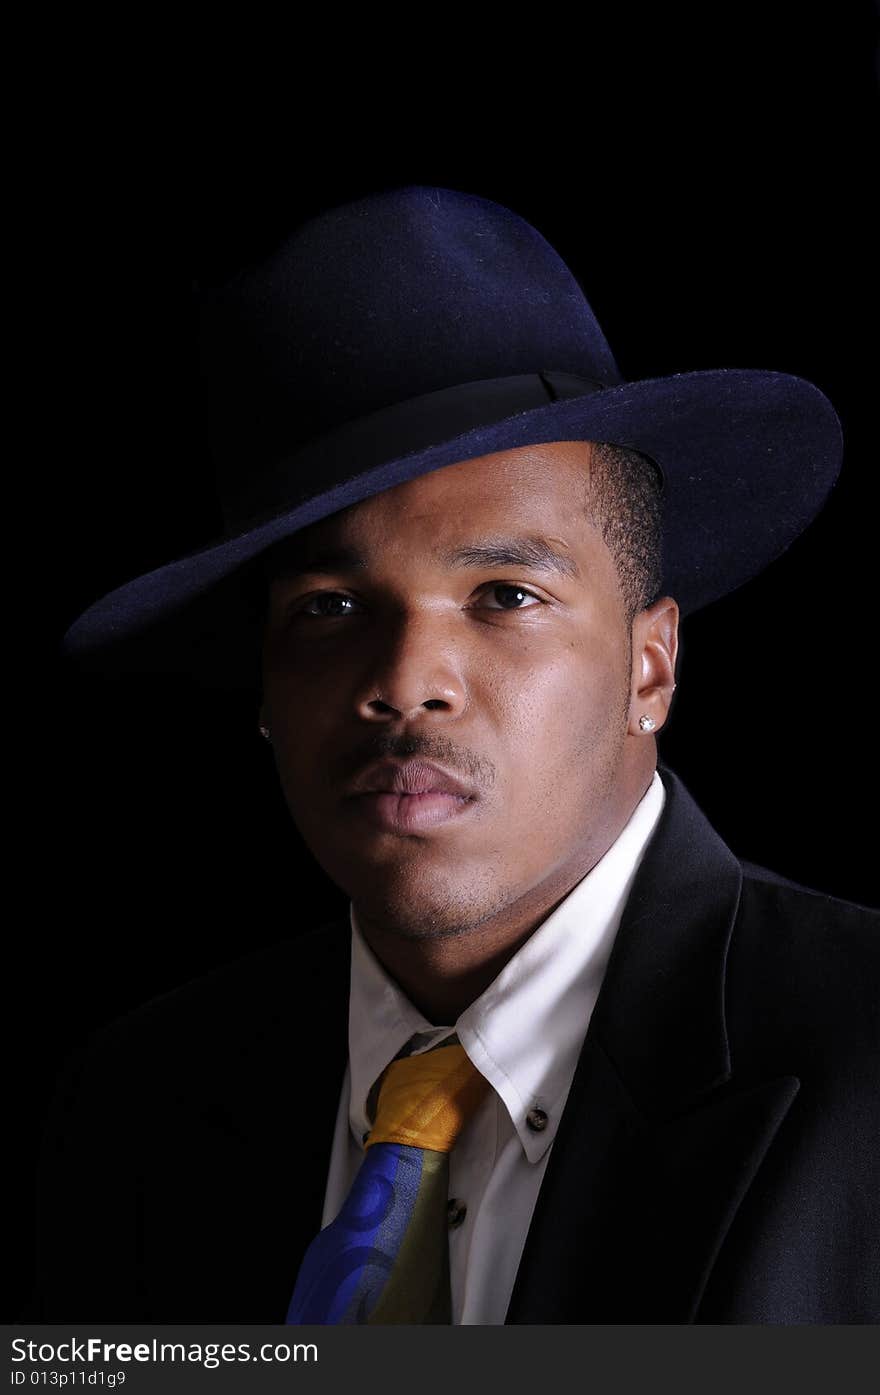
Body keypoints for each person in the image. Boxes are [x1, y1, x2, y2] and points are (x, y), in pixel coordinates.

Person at [32, 185, 877, 1324]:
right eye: (331, 609)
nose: (402, 682)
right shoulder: (137, 1105)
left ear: (649, 667)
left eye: (503, 594)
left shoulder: (862, 1062)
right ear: (267, 692)